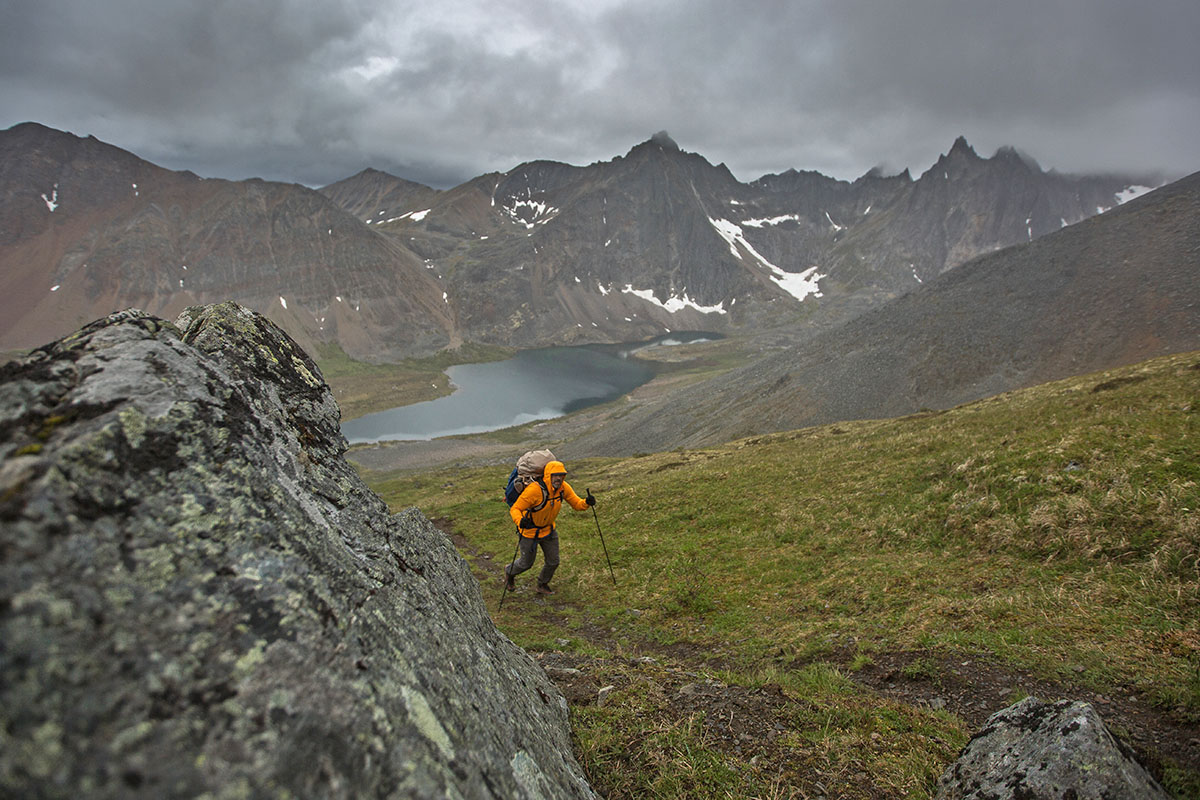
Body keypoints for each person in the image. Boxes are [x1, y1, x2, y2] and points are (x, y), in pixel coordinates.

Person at [505, 460, 594, 594]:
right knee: (525, 564)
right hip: (529, 532)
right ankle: (509, 572)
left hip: (548, 531)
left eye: (561, 475)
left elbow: (577, 504)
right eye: (555, 475)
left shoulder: (563, 488)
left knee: (553, 562)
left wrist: (586, 502)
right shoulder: (534, 490)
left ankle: (542, 584)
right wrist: (520, 521)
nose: (558, 478)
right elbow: (516, 508)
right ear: (548, 475)